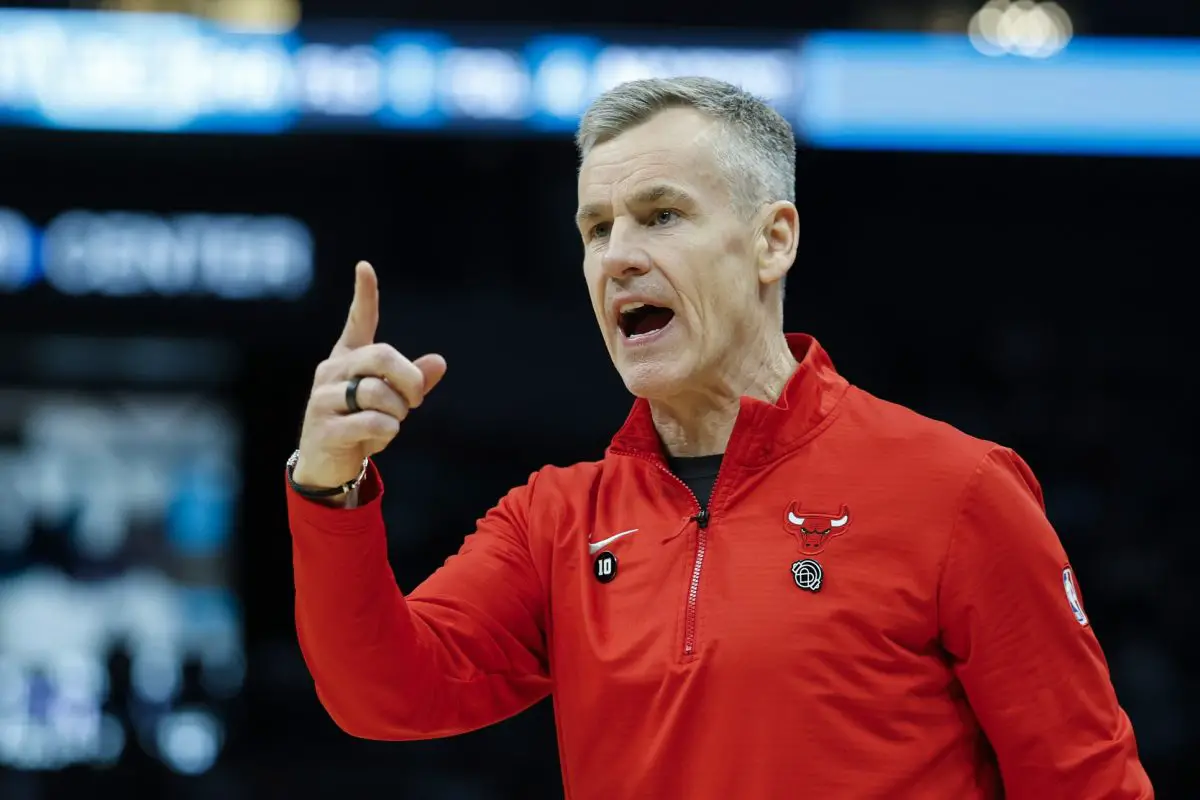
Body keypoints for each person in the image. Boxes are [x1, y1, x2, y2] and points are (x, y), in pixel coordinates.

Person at [285, 77, 1153, 798]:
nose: (617, 255)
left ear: (773, 240)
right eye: (597, 228)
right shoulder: (554, 519)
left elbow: (1086, 782)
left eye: (661, 215)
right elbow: (379, 695)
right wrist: (327, 484)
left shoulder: (957, 490)